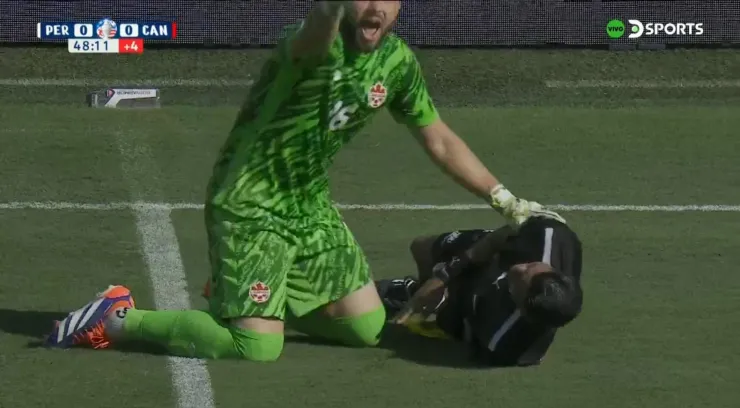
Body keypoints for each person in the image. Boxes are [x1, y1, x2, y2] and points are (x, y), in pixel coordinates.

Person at [46, 1, 563, 361]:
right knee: (259, 349)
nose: (376, 9)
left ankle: (244, 298)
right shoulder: (311, 43)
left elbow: (439, 138)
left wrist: (507, 200)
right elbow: (315, 34)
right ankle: (118, 318)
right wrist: (331, 8)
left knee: (365, 327)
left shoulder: (397, 64)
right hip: (249, 200)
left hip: (308, 202)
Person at [377, 216, 583, 367]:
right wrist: (443, 276)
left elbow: (464, 336)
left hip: (476, 306)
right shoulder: (549, 236)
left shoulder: (504, 341)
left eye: (518, 281)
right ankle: (418, 287)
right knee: (421, 247)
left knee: (446, 317)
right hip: (492, 253)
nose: (519, 269)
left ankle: (422, 297)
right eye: (530, 266)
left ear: (524, 311)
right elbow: (501, 235)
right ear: (553, 269)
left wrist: (444, 305)